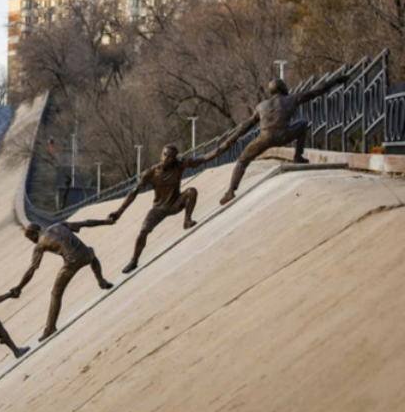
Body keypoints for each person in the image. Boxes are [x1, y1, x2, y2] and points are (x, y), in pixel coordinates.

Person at [218, 73, 350, 205]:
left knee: (243, 160)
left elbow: (246, 125)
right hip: (284, 135)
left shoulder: (261, 106)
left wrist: (229, 141)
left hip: (264, 138)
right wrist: (336, 80)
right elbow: (317, 91)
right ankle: (298, 156)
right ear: (282, 88)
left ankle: (230, 191)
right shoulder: (292, 98)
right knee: (303, 124)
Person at [108, 144, 224, 273]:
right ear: (160, 154)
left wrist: (230, 141)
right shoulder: (151, 173)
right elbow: (134, 192)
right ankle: (134, 260)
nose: (166, 158)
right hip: (159, 208)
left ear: (174, 159)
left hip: (175, 203)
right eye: (164, 154)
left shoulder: (179, 166)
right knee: (143, 230)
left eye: (170, 157)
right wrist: (119, 211)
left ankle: (187, 220)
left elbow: (205, 158)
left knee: (191, 192)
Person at [10, 219, 115, 342]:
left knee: (56, 293)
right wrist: (106, 221)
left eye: (30, 239)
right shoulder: (59, 225)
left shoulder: (40, 244)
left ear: (33, 234)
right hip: (87, 255)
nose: (32, 242)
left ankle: (50, 327)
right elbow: (85, 222)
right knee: (91, 252)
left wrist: (19, 287)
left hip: (72, 262)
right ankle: (101, 281)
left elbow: (31, 270)